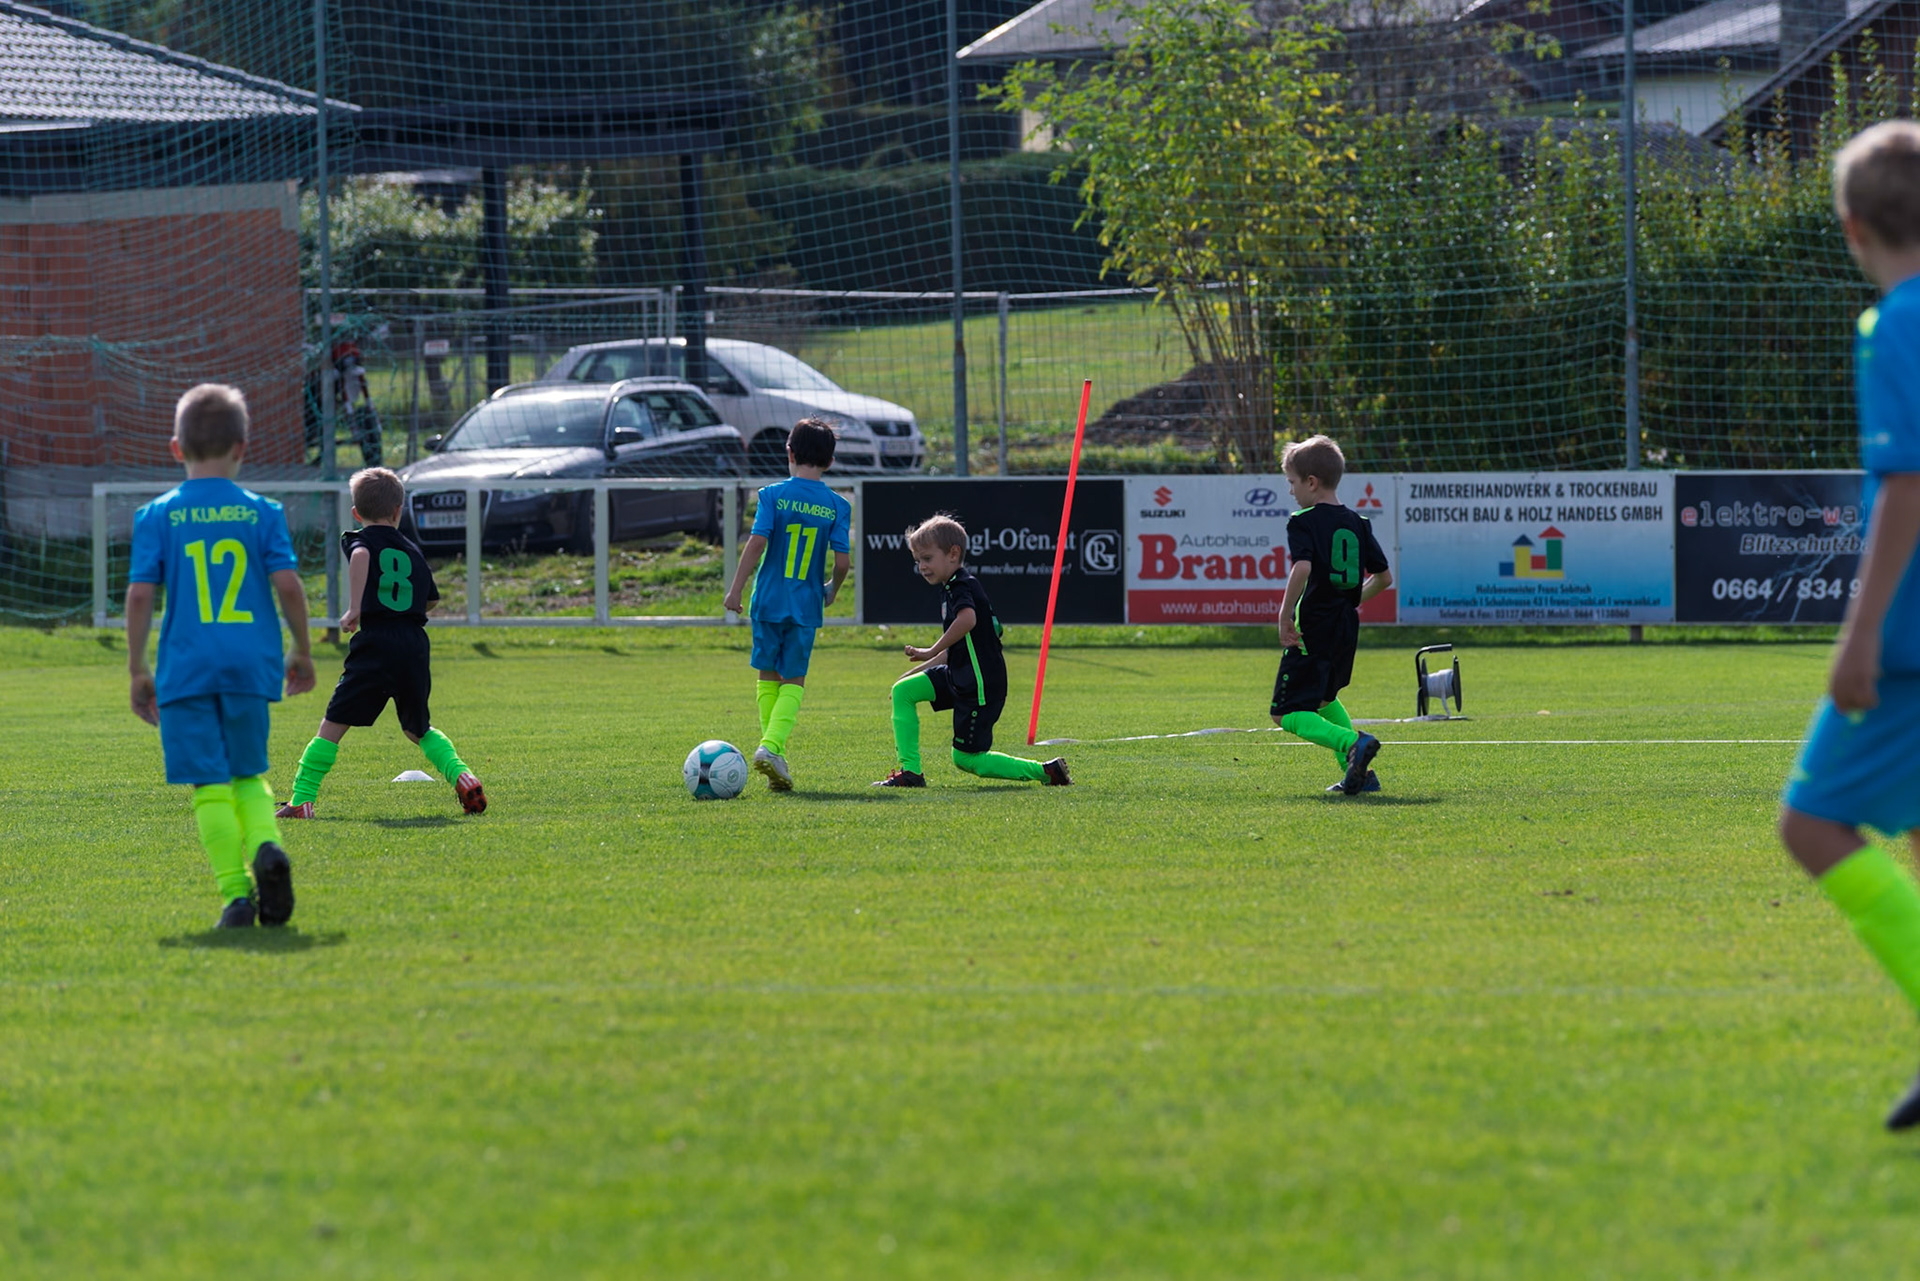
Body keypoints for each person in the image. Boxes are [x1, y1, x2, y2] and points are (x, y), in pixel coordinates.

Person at [1779, 120, 1920, 1130]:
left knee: (1812, 821)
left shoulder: (1898, 324)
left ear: (1852, 227)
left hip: (1915, 635)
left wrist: (1860, 633)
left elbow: (1908, 484)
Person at [126, 384, 315, 929]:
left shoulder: (157, 515)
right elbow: (288, 585)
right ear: (241, 447)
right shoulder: (262, 513)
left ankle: (236, 896)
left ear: (176, 448)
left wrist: (138, 669)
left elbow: (139, 595)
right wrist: (302, 649)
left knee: (209, 786)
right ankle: (266, 844)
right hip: (250, 666)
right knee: (249, 774)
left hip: (186, 670)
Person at [277, 467, 485, 818]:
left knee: (333, 724)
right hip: (413, 642)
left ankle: (301, 800)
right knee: (417, 728)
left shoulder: (359, 540)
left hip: (376, 642)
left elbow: (361, 556)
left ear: (356, 513)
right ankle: (462, 775)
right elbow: (431, 600)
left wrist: (355, 607)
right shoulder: (413, 550)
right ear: (398, 511)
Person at [872, 514, 1070, 789]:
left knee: (966, 759)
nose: (922, 566)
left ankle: (1046, 771)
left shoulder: (961, 585)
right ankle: (911, 773)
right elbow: (960, 646)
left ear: (953, 554)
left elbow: (968, 620)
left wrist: (930, 651)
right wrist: (915, 671)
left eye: (927, 558)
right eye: (917, 561)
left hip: (980, 685)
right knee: (904, 691)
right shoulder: (951, 588)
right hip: (961, 674)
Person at [722, 417, 853, 791]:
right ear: (830, 461)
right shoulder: (837, 505)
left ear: (790, 452)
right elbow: (842, 562)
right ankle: (771, 747)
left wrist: (735, 590)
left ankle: (772, 750)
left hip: (767, 600)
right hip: (805, 605)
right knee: (794, 678)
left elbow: (757, 543)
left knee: (767, 674)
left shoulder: (772, 495)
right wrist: (832, 589)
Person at [1270, 434, 1393, 796]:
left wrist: (1284, 615)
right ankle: (1361, 776)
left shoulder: (1303, 521)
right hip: (1345, 627)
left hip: (1314, 626)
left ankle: (1352, 744)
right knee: (1323, 700)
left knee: (1285, 712)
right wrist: (1350, 600)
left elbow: (1303, 567)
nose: (1291, 491)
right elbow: (1384, 578)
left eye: (1292, 482)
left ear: (1311, 482)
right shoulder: (1358, 522)